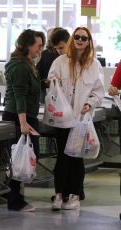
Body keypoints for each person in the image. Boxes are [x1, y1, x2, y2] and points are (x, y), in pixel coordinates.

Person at [47, 27, 105, 211]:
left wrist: (90, 103)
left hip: (81, 119)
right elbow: (51, 82)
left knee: (76, 158)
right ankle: (58, 195)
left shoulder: (94, 65)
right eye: (77, 36)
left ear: (88, 41)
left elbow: (98, 91)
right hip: (62, 118)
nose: (80, 40)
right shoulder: (60, 61)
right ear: (73, 39)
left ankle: (74, 196)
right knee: (63, 157)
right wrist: (52, 82)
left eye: (84, 37)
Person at [2, 29, 45, 212]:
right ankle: (14, 201)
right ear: (28, 45)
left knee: (26, 157)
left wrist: (45, 82)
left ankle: (14, 195)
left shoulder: (28, 63)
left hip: (27, 116)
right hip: (19, 117)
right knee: (19, 159)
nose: (40, 49)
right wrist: (23, 123)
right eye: (38, 46)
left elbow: (29, 88)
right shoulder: (19, 66)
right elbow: (19, 96)